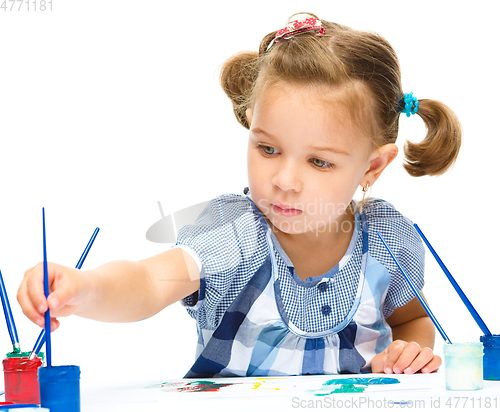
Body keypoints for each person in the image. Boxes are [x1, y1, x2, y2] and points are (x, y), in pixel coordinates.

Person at [17, 13, 461, 377]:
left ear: (372, 167)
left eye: (319, 161)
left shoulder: (388, 240)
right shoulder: (233, 232)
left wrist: (407, 354)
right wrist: (86, 288)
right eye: (268, 148)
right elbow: (148, 282)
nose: (285, 179)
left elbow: (411, 319)